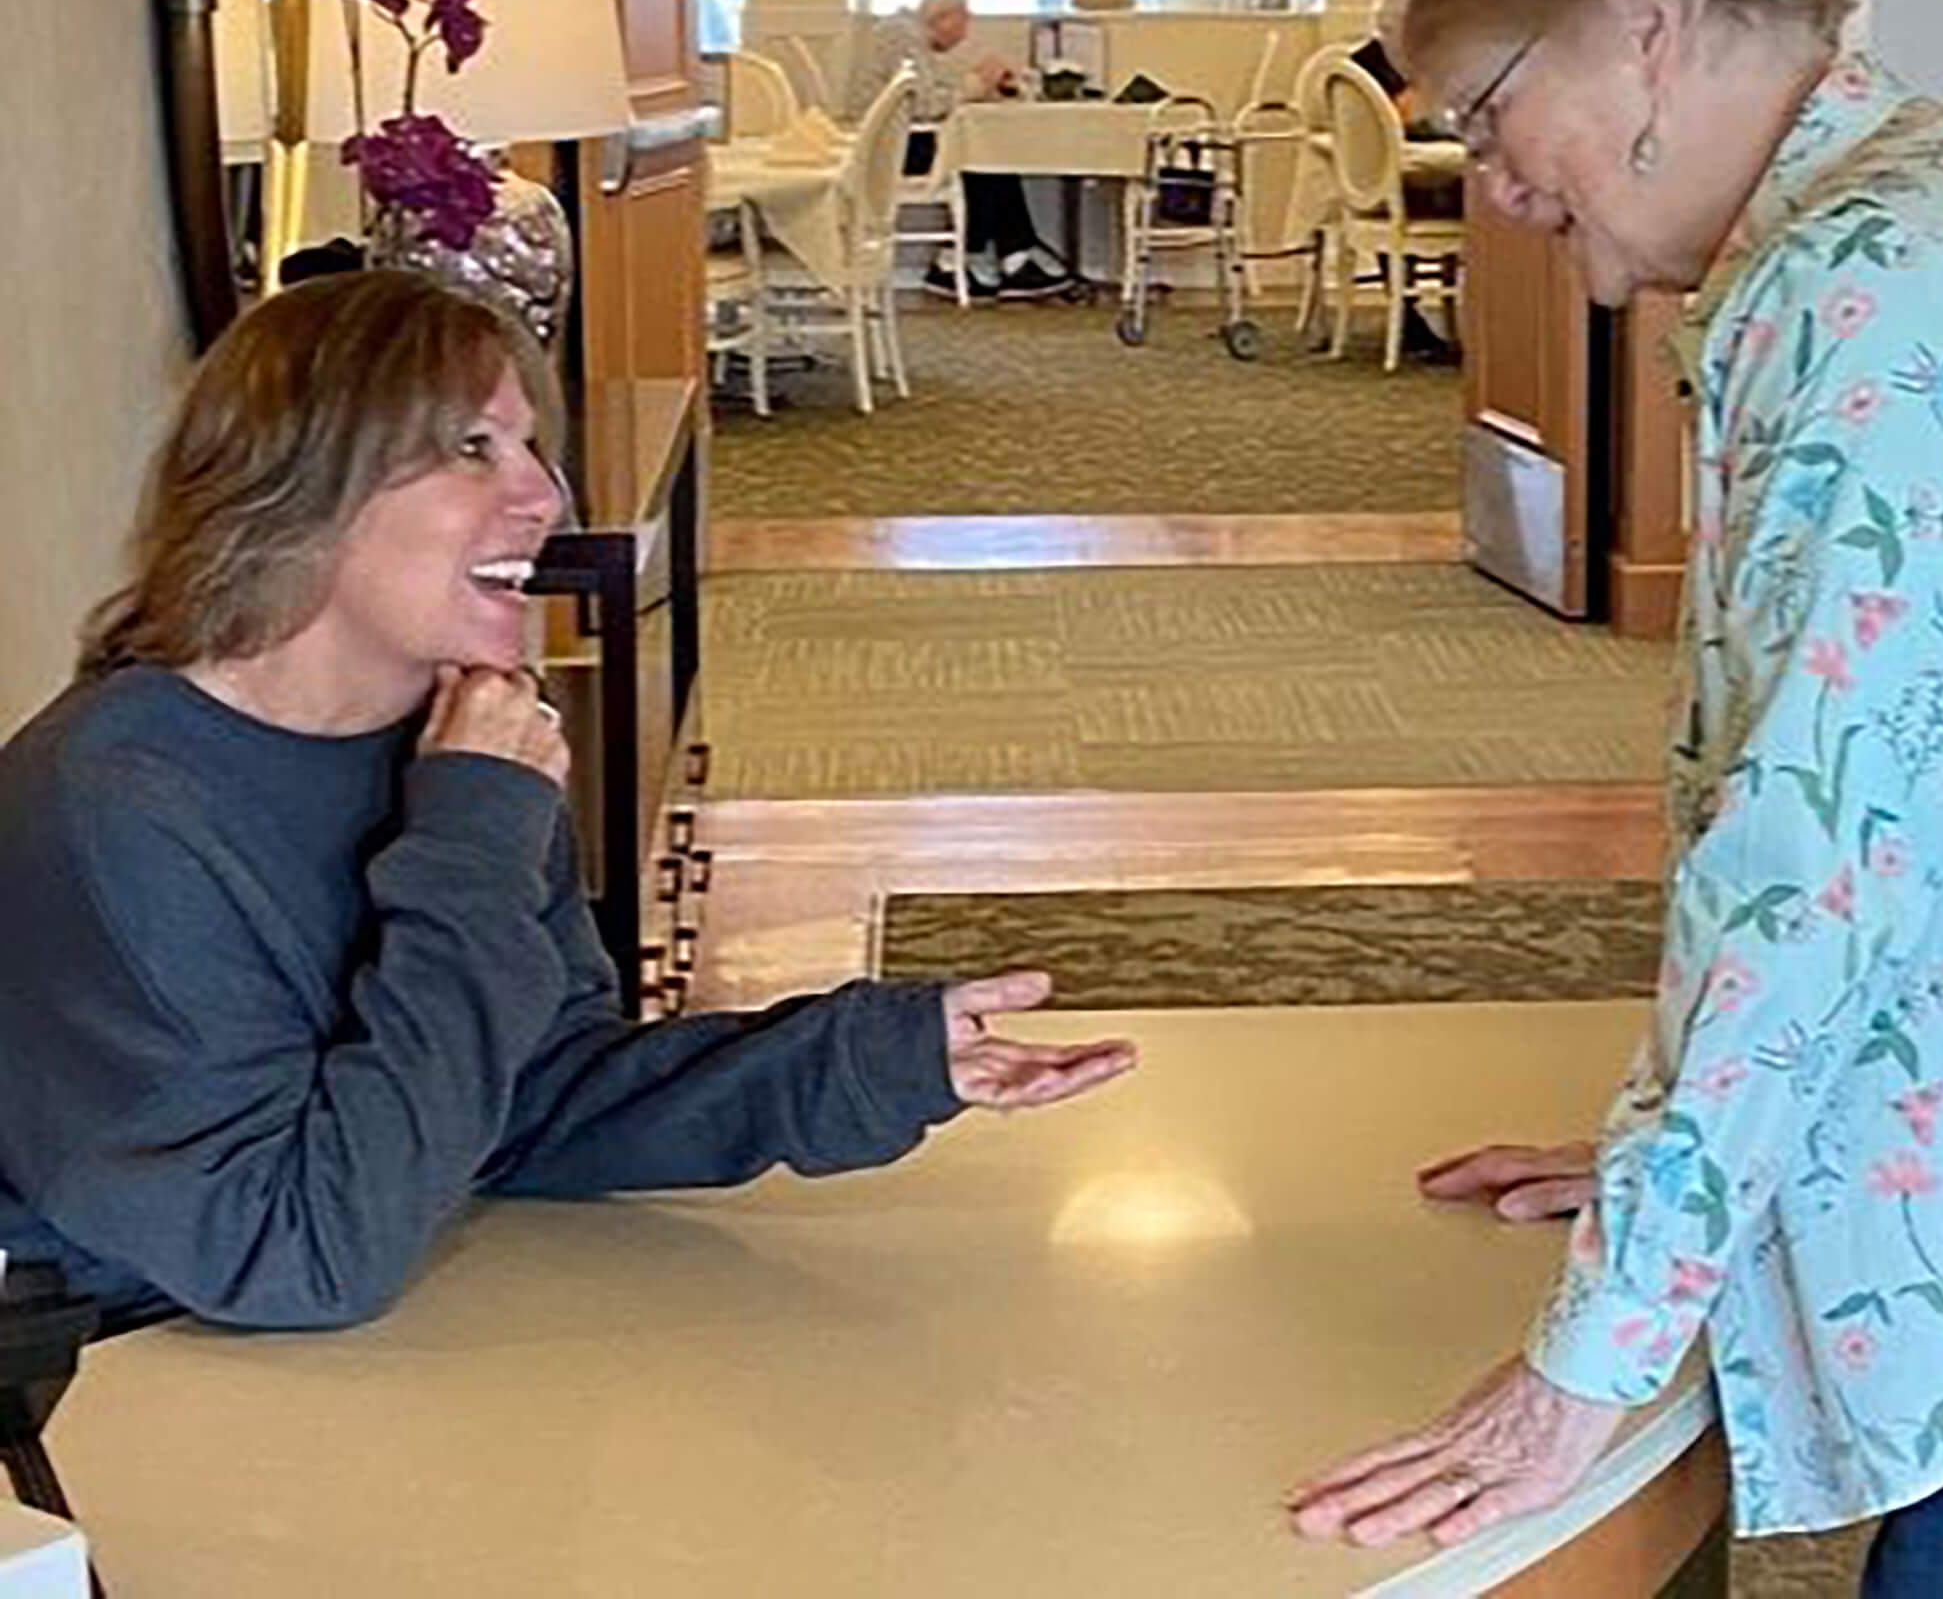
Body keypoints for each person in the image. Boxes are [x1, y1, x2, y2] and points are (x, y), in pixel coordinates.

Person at [1284, 0, 1943, 1595]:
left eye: (1492, 114)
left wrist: (1588, 1356)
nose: (1501, 188)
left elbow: (1812, 862)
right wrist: (1662, 1164)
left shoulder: (1865, 295)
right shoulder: (1924, 217)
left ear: (1645, 26)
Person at [0, 272, 1135, 1333]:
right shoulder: (120, 811)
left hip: (354, 1337)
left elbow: (522, 1096)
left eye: (530, 446)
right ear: (303, 495)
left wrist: (860, 1060)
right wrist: (469, 836)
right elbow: (303, 1252)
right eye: (469, 448)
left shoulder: (459, 744)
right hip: (111, 1383)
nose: (544, 494)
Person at [848, 0, 1073, 301]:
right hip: (887, 146)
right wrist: (978, 84)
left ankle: (998, 251)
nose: (962, 37)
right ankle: (994, 253)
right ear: (946, 18)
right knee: (985, 153)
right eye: (963, 26)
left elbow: (928, 95)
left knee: (988, 150)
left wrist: (976, 85)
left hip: (895, 140)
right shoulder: (900, 37)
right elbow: (924, 105)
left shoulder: (903, 36)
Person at [1347, 0, 1461, 365]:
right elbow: (1410, 122)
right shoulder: (1371, 73)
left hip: (1379, 185)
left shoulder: (1357, 67)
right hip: (1397, 189)